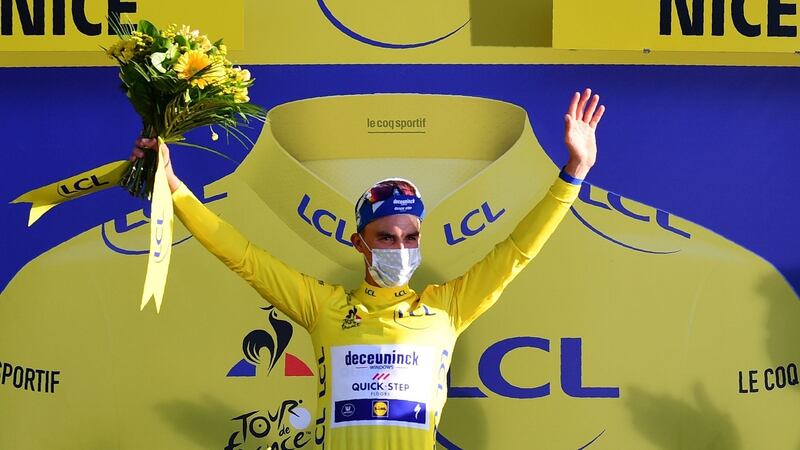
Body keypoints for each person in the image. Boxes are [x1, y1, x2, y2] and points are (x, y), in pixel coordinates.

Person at [132, 89, 605, 449]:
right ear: (359, 243)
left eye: (410, 236)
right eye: (386, 237)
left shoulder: (446, 307)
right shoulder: (323, 306)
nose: (401, 247)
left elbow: (518, 251)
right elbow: (242, 255)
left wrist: (574, 173)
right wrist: (173, 187)